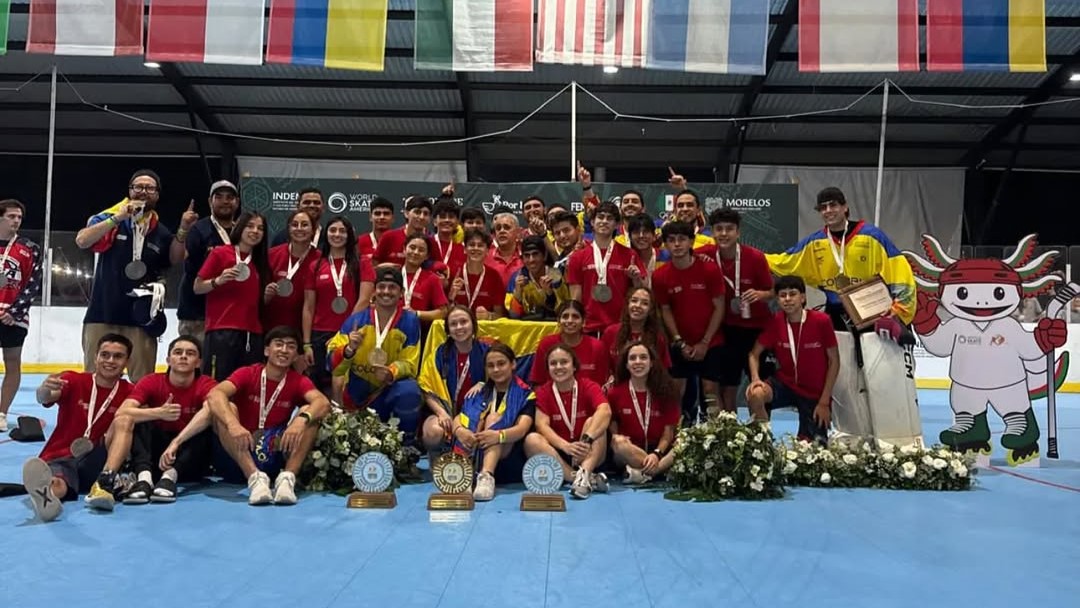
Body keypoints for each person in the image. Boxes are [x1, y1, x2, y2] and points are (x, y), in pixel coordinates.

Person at [75, 170, 197, 381]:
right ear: (130, 191)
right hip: (102, 313)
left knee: (142, 382)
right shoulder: (111, 219)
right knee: (95, 379)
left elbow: (175, 259)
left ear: (157, 195)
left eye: (150, 188)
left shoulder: (160, 231)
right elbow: (82, 240)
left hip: (141, 318)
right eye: (138, 187)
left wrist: (183, 229)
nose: (143, 192)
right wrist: (118, 217)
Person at [87, 335, 218, 509]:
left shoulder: (206, 383)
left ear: (199, 363)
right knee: (137, 417)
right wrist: (159, 413)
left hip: (189, 459)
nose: (183, 356)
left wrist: (176, 442)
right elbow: (122, 413)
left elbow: (210, 411)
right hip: (155, 456)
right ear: (168, 360)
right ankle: (144, 480)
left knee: (207, 420)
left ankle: (169, 478)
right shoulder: (151, 381)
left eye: (190, 353)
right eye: (178, 352)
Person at [207, 326, 331, 505]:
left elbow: (323, 403)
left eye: (291, 346)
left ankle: (287, 479)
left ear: (296, 356)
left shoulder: (298, 380)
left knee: (309, 413)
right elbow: (215, 394)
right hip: (239, 450)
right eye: (278, 344)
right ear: (266, 350)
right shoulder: (248, 373)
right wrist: (233, 424)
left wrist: (301, 421)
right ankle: (254, 478)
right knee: (226, 409)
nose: (284, 350)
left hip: (274, 454)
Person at [765, 186, 916, 330]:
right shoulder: (815, 242)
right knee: (837, 349)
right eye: (823, 207)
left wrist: (900, 309)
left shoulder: (872, 236)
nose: (828, 211)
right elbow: (783, 261)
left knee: (872, 349)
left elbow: (899, 272)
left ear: (845, 207)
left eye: (833, 205)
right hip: (836, 312)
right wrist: (750, 255)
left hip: (873, 310)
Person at [21, 334, 134, 522]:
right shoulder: (73, 380)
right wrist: (44, 389)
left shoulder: (130, 392)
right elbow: (45, 397)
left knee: (125, 420)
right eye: (105, 355)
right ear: (95, 357)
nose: (110, 360)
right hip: (62, 455)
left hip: (99, 459)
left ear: (127, 362)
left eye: (118, 356)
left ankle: (105, 482)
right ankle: (48, 499)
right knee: (59, 482)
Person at [327, 266, 423, 436]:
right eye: (381, 287)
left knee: (409, 390)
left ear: (401, 293)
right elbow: (332, 363)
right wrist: (349, 349)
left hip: (387, 390)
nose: (386, 291)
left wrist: (391, 372)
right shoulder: (356, 320)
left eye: (392, 287)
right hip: (356, 390)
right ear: (374, 291)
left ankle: (406, 442)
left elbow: (411, 362)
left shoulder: (410, 321)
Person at [696, 208, 775, 415]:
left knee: (760, 385)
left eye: (729, 229)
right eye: (719, 229)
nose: (724, 234)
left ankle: (761, 430)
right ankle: (730, 431)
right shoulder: (703, 255)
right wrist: (697, 262)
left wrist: (760, 294)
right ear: (712, 232)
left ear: (738, 232)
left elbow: (772, 291)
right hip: (727, 329)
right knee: (728, 387)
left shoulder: (755, 257)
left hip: (757, 328)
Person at [746, 276, 840, 444]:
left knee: (813, 448)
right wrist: (755, 379)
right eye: (783, 295)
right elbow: (753, 354)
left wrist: (824, 402)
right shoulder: (777, 321)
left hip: (814, 393)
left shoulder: (821, 321)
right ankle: (763, 444)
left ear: (802, 297)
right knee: (755, 394)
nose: (787, 299)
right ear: (778, 300)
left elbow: (834, 361)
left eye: (792, 294)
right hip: (786, 384)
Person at [653, 221, 727, 419]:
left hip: (711, 342)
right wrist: (679, 341)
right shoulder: (659, 276)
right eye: (671, 240)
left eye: (682, 239)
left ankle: (716, 433)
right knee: (676, 390)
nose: (677, 244)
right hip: (680, 343)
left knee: (710, 390)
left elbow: (719, 307)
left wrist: (705, 342)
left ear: (691, 242)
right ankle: (675, 434)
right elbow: (665, 310)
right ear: (665, 245)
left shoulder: (709, 269)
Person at [525, 345, 611, 499]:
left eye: (564, 362)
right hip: (560, 453)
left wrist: (586, 440)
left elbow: (605, 411)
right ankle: (581, 479)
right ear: (548, 369)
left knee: (594, 421)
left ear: (574, 366)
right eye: (553, 363)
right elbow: (541, 425)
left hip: (587, 451)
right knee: (532, 440)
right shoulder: (543, 392)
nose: (559, 367)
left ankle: (585, 471)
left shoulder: (589, 386)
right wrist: (566, 446)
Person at [451, 344, 536, 502]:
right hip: (475, 450)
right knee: (472, 422)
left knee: (494, 419)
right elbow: (459, 418)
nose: (496, 369)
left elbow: (522, 429)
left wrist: (498, 435)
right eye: (491, 366)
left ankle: (487, 476)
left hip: (508, 458)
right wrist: (459, 431)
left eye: (501, 364)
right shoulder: (478, 391)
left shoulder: (526, 394)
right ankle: (466, 474)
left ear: (513, 364)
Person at [194, 211, 271, 381]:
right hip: (221, 329)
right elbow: (197, 287)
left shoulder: (261, 261)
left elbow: (257, 300)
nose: (255, 231)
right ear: (240, 228)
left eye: (260, 228)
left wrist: (267, 295)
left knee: (247, 384)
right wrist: (217, 281)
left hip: (252, 332)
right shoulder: (220, 253)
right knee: (216, 383)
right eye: (250, 226)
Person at [303, 216, 375, 397]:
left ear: (350, 235)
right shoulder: (315, 265)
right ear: (325, 234)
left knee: (347, 385)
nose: (337, 234)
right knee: (320, 386)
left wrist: (342, 334)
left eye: (342, 231)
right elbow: (309, 306)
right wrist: (307, 343)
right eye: (333, 230)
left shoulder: (362, 263)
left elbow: (364, 300)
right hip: (320, 334)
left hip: (352, 333)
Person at [418, 305, 489, 459]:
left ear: (473, 324)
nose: (459, 327)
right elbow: (426, 389)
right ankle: (437, 461)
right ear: (448, 330)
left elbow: (503, 383)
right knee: (434, 431)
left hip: (478, 415)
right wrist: (441, 413)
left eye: (464, 322)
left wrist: (484, 384)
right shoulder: (439, 355)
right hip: (447, 412)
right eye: (453, 324)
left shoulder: (487, 352)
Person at [567, 201, 645, 335]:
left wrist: (636, 279)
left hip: (621, 326)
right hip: (588, 327)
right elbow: (575, 298)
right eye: (600, 217)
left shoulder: (630, 255)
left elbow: (641, 292)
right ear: (592, 222)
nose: (604, 221)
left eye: (609, 218)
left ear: (617, 225)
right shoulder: (577, 257)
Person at [608, 341, 681, 484]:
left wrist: (657, 453)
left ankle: (646, 472)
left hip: (659, 450)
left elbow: (668, 433)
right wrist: (617, 437)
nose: (638, 362)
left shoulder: (667, 391)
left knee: (684, 442)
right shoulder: (614, 393)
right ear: (626, 365)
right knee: (618, 442)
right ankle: (658, 471)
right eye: (632, 358)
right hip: (630, 450)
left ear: (651, 363)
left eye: (643, 357)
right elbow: (613, 428)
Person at [176, 180, 238, 344]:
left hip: (229, 313)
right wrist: (183, 229)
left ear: (237, 202)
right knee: (194, 358)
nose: (225, 201)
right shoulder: (197, 230)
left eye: (230, 197)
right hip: (197, 313)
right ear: (210, 201)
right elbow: (180, 257)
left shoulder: (241, 232)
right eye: (219, 197)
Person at [0, 199, 42, 432]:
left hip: (13, 317)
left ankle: (1, 413)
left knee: (12, 362)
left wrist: (14, 312)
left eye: (19, 217)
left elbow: (33, 284)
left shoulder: (29, 248)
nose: (16, 221)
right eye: (11, 216)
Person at [264, 210, 320, 341]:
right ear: (288, 229)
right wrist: (265, 295)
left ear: (313, 230)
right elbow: (257, 295)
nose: (299, 228)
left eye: (304, 225)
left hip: (305, 331)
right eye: (295, 225)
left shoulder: (321, 260)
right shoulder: (271, 255)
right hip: (270, 329)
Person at [531, 300, 609, 386]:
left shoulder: (597, 347)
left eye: (575, 317)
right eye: (565, 316)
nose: (570, 320)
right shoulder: (546, 344)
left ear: (583, 322)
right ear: (558, 321)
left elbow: (600, 384)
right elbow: (538, 382)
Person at [600, 286, 671, 380]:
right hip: (617, 385)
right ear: (627, 304)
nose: (638, 306)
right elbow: (603, 367)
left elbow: (662, 372)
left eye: (645, 303)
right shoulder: (610, 333)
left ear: (650, 310)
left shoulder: (658, 337)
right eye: (634, 301)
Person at [506, 235, 571, 321]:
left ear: (544, 256)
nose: (531, 260)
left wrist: (550, 294)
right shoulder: (516, 278)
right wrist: (517, 294)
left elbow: (566, 312)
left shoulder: (556, 276)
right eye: (527, 256)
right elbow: (513, 316)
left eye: (535, 254)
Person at [448, 228, 506, 320]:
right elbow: (443, 313)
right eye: (471, 245)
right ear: (465, 249)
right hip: (458, 325)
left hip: (484, 327)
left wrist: (488, 316)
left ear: (487, 251)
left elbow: (500, 315)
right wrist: (451, 298)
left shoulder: (494, 276)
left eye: (480, 245)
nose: (476, 248)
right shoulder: (453, 273)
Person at [399, 234, 449, 324]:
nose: (416, 252)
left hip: (419, 329)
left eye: (421, 250)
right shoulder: (393, 273)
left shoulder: (432, 279)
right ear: (404, 249)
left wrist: (417, 314)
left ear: (427, 256)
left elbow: (443, 312)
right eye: (412, 247)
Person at [374, 195, 432, 266]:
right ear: (406, 213)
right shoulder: (389, 237)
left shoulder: (432, 240)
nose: (421, 217)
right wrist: (386, 268)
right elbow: (374, 264)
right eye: (417, 212)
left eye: (426, 214)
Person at [430, 198, 467, 279]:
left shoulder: (463, 250)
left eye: (451, 217)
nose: (447, 220)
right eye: (442, 216)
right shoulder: (427, 244)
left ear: (457, 222)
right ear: (435, 221)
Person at [487, 212, 524, 286]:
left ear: (518, 232)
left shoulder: (527, 256)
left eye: (507, 227)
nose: (502, 231)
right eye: (498, 228)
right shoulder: (486, 256)